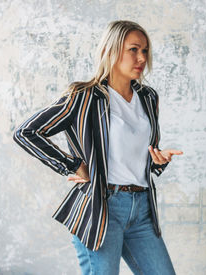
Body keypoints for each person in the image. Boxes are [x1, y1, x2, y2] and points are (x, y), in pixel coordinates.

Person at [13, 20, 182, 275]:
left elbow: (136, 155)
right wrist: (71, 165)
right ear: (112, 51)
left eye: (145, 51)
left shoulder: (148, 98)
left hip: (142, 208)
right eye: (133, 50)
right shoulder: (84, 97)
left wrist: (158, 161)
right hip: (102, 210)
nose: (141, 58)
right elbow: (26, 132)